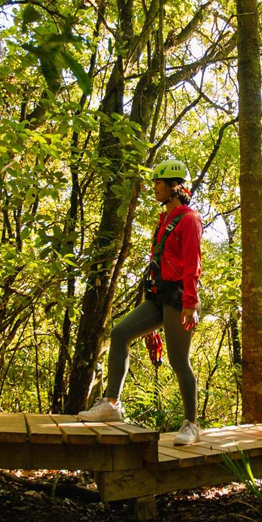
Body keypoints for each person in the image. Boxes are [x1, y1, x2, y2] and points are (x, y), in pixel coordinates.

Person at [78, 159, 203, 446]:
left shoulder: (189, 219)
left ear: (174, 186)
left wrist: (190, 302)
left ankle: (191, 424)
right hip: (159, 296)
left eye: (159, 182)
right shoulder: (164, 219)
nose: (154, 187)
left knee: (178, 361)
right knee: (120, 333)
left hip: (179, 297)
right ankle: (112, 404)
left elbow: (192, 263)